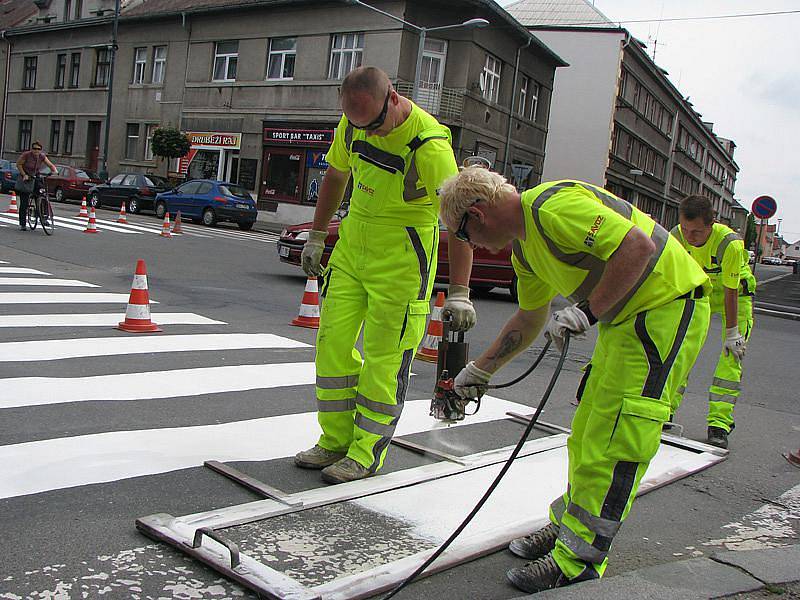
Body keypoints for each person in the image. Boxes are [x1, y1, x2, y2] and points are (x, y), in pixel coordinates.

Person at [438, 168, 710, 593]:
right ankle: (568, 527)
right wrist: (480, 371)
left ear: (478, 214)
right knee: (587, 432)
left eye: (464, 234)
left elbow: (635, 247)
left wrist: (587, 311)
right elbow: (530, 318)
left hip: (665, 306)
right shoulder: (525, 252)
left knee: (618, 437)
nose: (471, 245)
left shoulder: (552, 207)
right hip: (627, 319)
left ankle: (578, 561)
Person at [294, 66, 475, 484]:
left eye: (374, 125)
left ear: (392, 98)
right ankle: (335, 440)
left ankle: (365, 452)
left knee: (384, 359)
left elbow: (460, 220)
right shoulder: (354, 122)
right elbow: (337, 175)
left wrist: (461, 291)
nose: (369, 134)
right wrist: (317, 236)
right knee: (331, 347)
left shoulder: (429, 147)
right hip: (354, 244)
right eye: (359, 124)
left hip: (403, 256)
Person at [670, 194, 755, 449]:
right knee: (679, 350)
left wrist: (732, 334)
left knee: (730, 359)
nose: (690, 237)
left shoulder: (730, 243)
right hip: (701, 290)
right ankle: (664, 413)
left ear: (711, 224)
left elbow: (730, 290)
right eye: (685, 229)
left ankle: (719, 424)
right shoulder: (677, 235)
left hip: (735, 296)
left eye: (696, 232)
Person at [16, 140, 57, 231]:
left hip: (35, 175)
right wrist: (24, 174)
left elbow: (50, 165)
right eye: (34, 148)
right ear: (32, 149)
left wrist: (54, 171)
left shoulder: (42, 156)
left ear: (41, 150)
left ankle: (44, 217)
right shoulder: (26, 155)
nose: (36, 151)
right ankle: (23, 224)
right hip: (26, 176)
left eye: (38, 149)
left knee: (43, 194)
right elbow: (18, 164)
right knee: (24, 202)